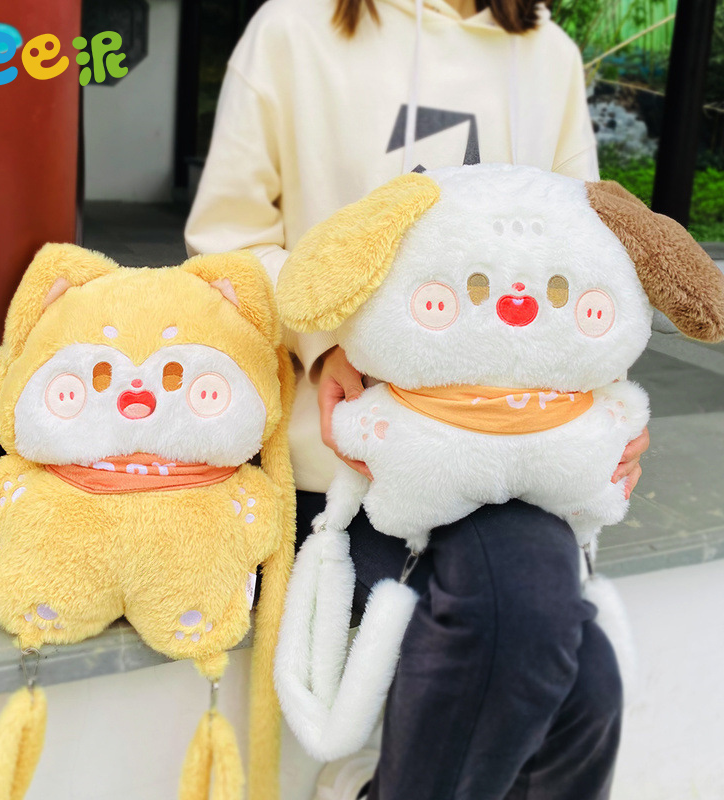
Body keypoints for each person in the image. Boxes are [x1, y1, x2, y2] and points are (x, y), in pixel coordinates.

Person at [185, 0, 649, 797]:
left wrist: (605, 415)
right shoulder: (294, 29)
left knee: (588, 687)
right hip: (352, 454)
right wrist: (332, 340)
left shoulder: (546, 54)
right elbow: (226, 244)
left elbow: (585, 258)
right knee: (543, 635)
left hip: (515, 448)